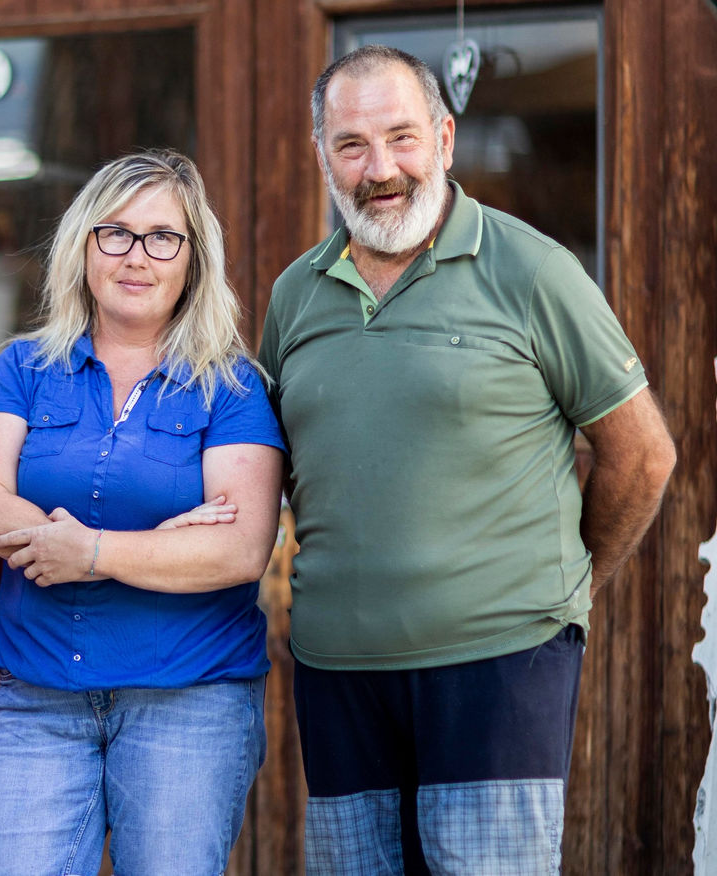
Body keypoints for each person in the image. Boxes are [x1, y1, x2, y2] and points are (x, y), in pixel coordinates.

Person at [257, 45, 676, 874]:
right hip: (339, 672)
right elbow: (277, 464)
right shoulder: (294, 293)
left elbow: (642, 456)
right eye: (351, 144)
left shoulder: (532, 270)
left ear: (445, 139)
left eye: (402, 137)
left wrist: (570, 587)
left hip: (499, 665)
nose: (380, 169)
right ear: (322, 156)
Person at [0, 149, 284, 876]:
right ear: (84, 247)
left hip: (187, 705)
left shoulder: (230, 387)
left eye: (163, 237)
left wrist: (94, 552)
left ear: (193, 259)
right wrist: (152, 548)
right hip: (39, 704)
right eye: (116, 233)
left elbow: (237, 551)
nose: (138, 256)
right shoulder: (23, 367)